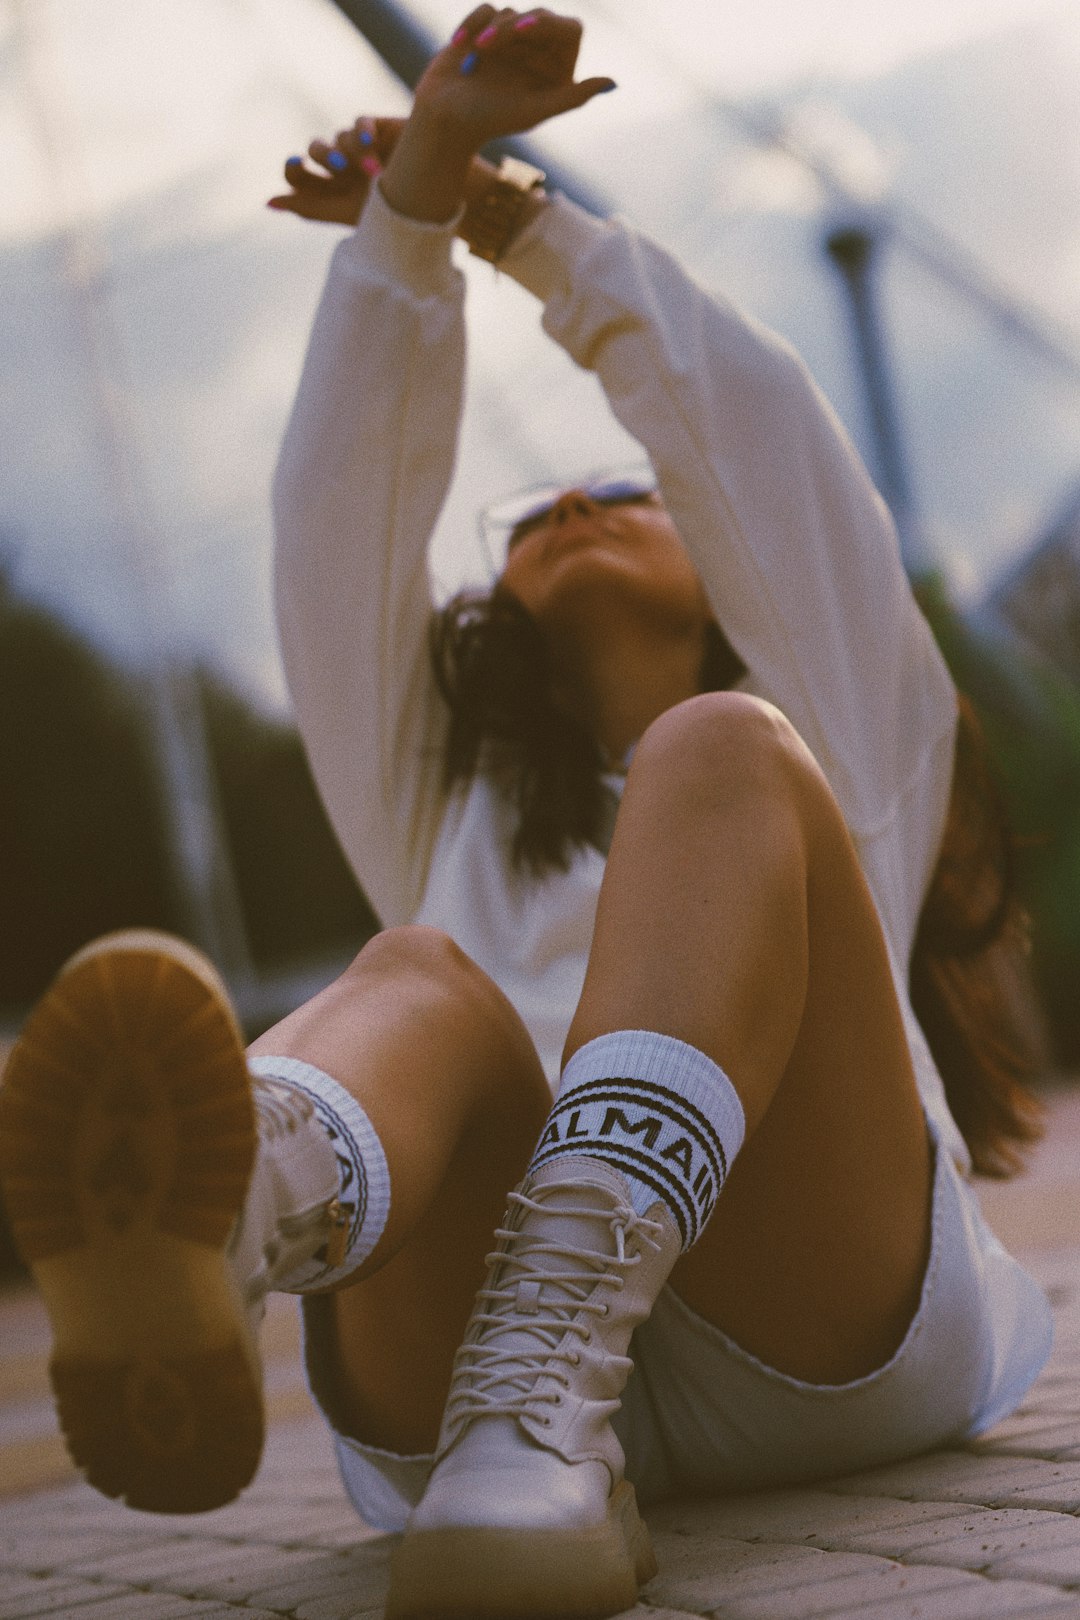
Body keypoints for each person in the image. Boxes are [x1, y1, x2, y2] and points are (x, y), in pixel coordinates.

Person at [0, 9, 1053, 1618]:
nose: (569, 497)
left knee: (720, 752)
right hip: (461, 1395)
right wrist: (404, 215)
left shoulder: (828, 737)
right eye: (538, 513)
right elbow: (335, 532)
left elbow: (766, 444)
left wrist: (520, 225)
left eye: (623, 492)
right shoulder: (449, 812)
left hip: (817, 1328)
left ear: (718, 559)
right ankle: (242, 1217)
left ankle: (536, 1390)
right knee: (415, 966)